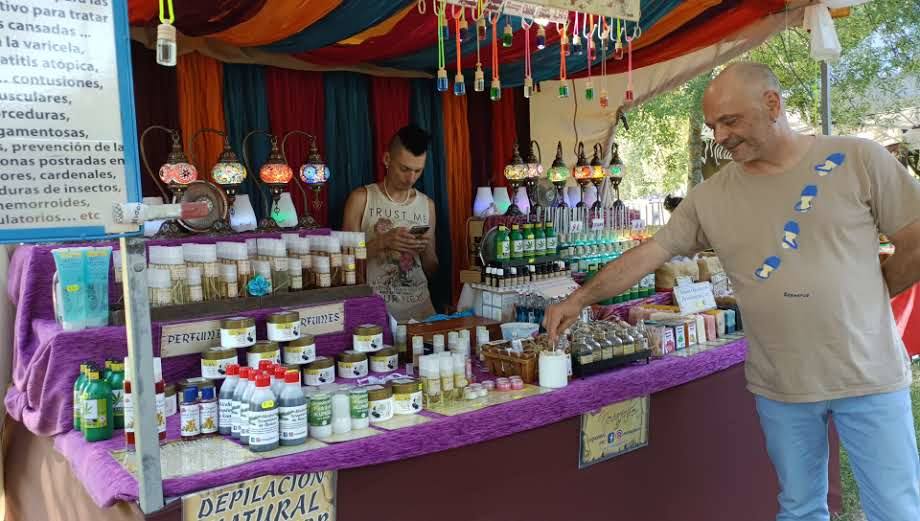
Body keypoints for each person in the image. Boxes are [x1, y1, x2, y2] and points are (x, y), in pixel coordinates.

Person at [544, 62, 920, 521]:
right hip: (781, 383)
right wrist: (578, 299)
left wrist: (874, 291)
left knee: (896, 511)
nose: (719, 136)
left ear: (772, 104)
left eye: (730, 121)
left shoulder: (859, 159)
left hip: (869, 375)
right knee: (800, 510)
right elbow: (650, 254)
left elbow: (915, 240)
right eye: (711, 126)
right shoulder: (710, 197)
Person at [342, 124, 438, 321]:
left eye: (418, 171)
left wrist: (425, 248)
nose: (411, 178)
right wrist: (382, 243)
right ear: (387, 159)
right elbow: (344, 261)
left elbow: (431, 269)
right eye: (404, 169)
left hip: (421, 310)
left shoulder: (427, 205)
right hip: (375, 312)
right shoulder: (361, 199)